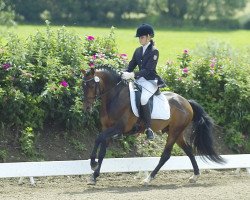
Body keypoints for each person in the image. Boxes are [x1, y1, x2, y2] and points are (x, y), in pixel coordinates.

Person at [121, 23, 165, 140]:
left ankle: (149, 128)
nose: (140, 39)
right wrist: (122, 73)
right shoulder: (138, 51)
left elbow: (148, 70)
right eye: (139, 37)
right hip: (139, 80)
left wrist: (132, 74)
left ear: (149, 37)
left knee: (143, 98)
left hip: (150, 81)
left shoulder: (154, 51)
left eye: (142, 37)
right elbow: (131, 66)